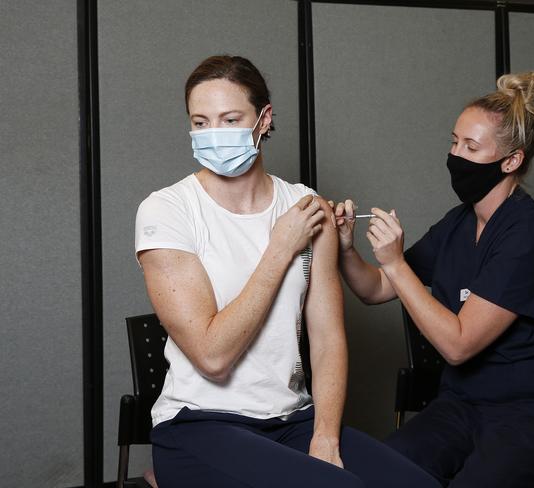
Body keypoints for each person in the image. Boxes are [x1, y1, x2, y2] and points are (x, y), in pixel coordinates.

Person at [135, 55, 441, 488]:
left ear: (263, 119)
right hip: (200, 425)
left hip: (291, 421)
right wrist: (280, 248)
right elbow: (212, 356)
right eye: (200, 122)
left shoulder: (305, 205)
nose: (214, 134)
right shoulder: (167, 211)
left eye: (230, 118)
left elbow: (328, 338)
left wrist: (325, 438)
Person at [332, 71, 534, 488]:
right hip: (463, 405)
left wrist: (397, 264)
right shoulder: (458, 223)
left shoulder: (530, 235)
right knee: (381, 473)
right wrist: (346, 247)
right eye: (455, 142)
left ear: (512, 161)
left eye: (471, 147)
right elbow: (375, 289)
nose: (455, 155)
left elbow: (458, 345)